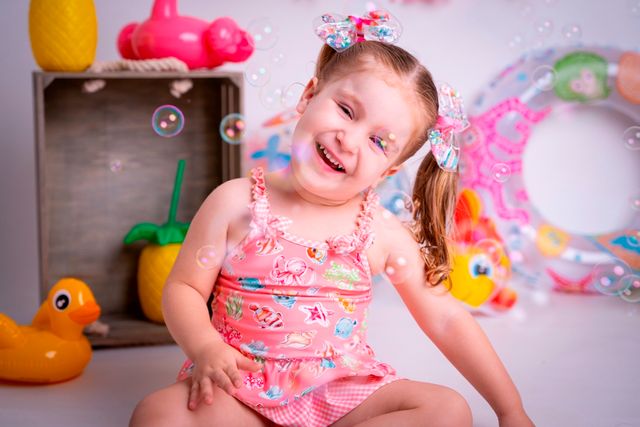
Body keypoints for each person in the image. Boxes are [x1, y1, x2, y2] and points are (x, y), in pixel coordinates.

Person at [130, 12, 534, 427]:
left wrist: (510, 409)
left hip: (341, 396)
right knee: (157, 414)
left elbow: (447, 319)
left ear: (389, 171)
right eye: (345, 110)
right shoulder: (235, 202)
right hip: (239, 388)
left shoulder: (380, 233)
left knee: (448, 410)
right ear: (310, 95)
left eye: (379, 142)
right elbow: (183, 288)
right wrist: (204, 348)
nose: (349, 139)